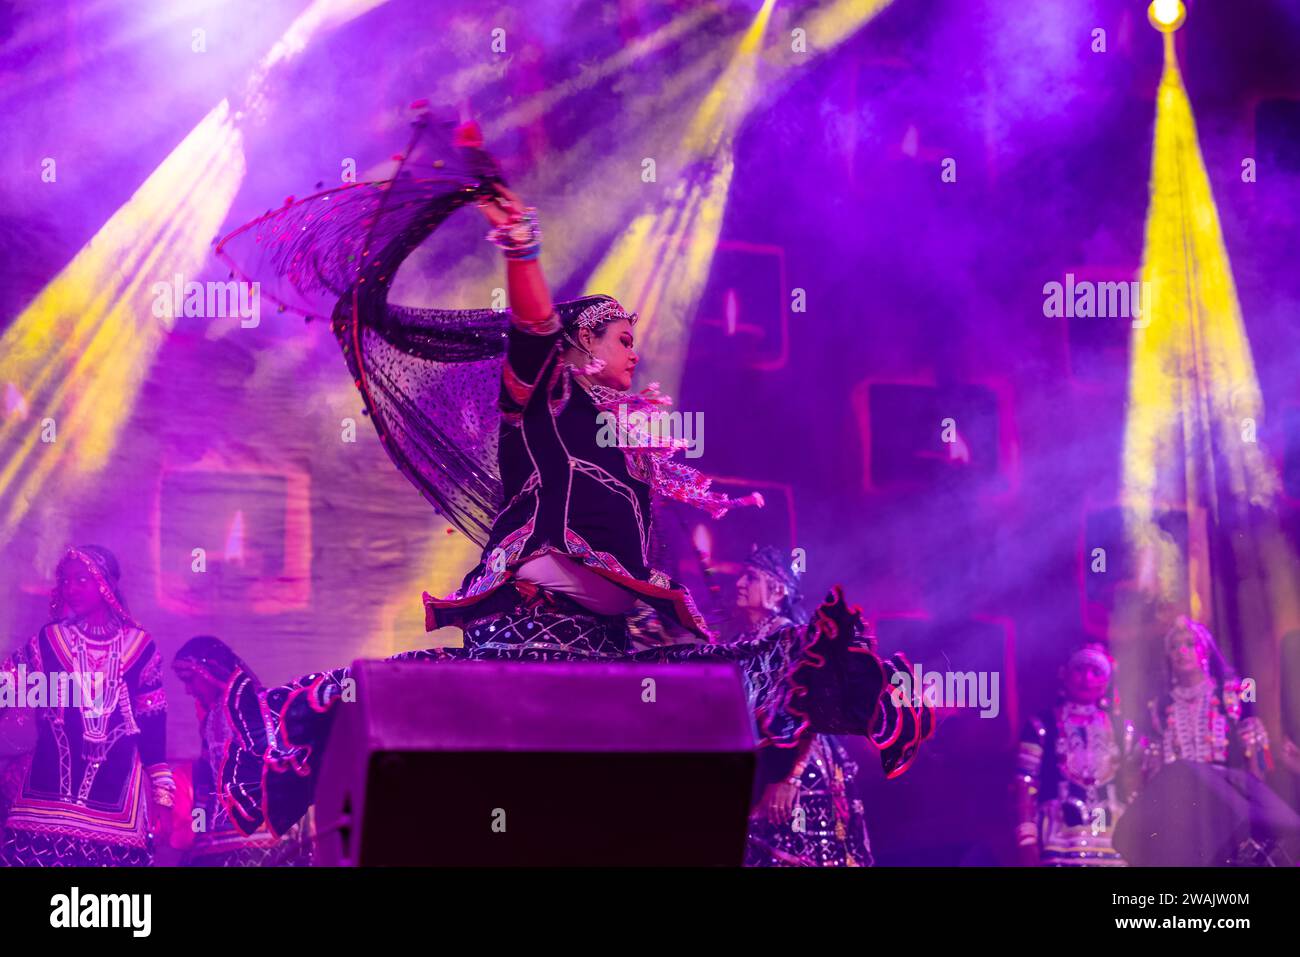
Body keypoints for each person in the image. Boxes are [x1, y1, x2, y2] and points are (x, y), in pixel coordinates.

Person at [214, 116, 927, 840]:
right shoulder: (542, 409)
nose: (634, 349)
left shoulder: (623, 445)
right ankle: (275, 728)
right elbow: (532, 333)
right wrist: (522, 251)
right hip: (531, 643)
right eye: (620, 337)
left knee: (776, 661)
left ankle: (870, 700)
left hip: (608, 655)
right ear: (578, 349)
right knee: (381, 698)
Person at [0, 546, 172, 866]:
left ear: (106, 584)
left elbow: (152, 724)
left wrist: (163, 795)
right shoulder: (50, 640)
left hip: (116, 799)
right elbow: (5, 687)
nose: (71, 589)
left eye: (82, 580)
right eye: (65, 581)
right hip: (46, 797)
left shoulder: (141, 647)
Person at [734, 546, 878, 867]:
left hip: (798, 767)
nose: (739, 584)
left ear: (778, 590)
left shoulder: (790, 637)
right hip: (765, 764)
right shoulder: (749, 639)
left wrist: (789, 778)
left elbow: (812, 708)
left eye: (751, 577)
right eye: (741, 576)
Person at [172, 637, 312, 866]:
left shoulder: (239, 709)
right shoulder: (221, 715)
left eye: (191, 680)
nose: (188, 690)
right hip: (258, 831)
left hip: (243, 837)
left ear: (209, 673)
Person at [1015, 643, 1141, 866]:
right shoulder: (1041, 725)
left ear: (1106, 683)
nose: (1087, 678)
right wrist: (1027, 839)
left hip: (1111, 837)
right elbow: (1025, 783)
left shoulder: (1123, 729)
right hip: (1060, 839)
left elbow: (1135, 788)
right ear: (1065, 675)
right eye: (1080, 670)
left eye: (1096, 672)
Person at [1146, 616, 1270, 776]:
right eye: (1174, 647)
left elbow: (1260, 763)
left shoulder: (1237, 692)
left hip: (1229, 795)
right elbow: (1153, 774)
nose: (1182, 651)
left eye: (1190, 644)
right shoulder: (1159, 707)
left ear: (1206, 650)